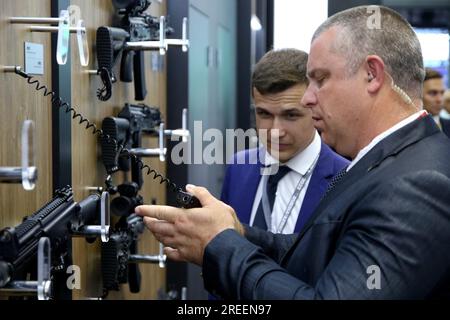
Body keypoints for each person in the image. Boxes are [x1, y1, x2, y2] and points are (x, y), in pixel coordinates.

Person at [136, 5, 450, 299]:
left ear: (372, 74)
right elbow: (314, 253)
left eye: (321, 79)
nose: (309, 98)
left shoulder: (418, 183)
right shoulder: (386, 161)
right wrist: (237, 232)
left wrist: (221, 244)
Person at [221, 49, 348, 234]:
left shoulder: (344, 180)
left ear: (315, 108)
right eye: (264, 114)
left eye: (290, 115)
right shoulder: (238, 168)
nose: (275, 132)